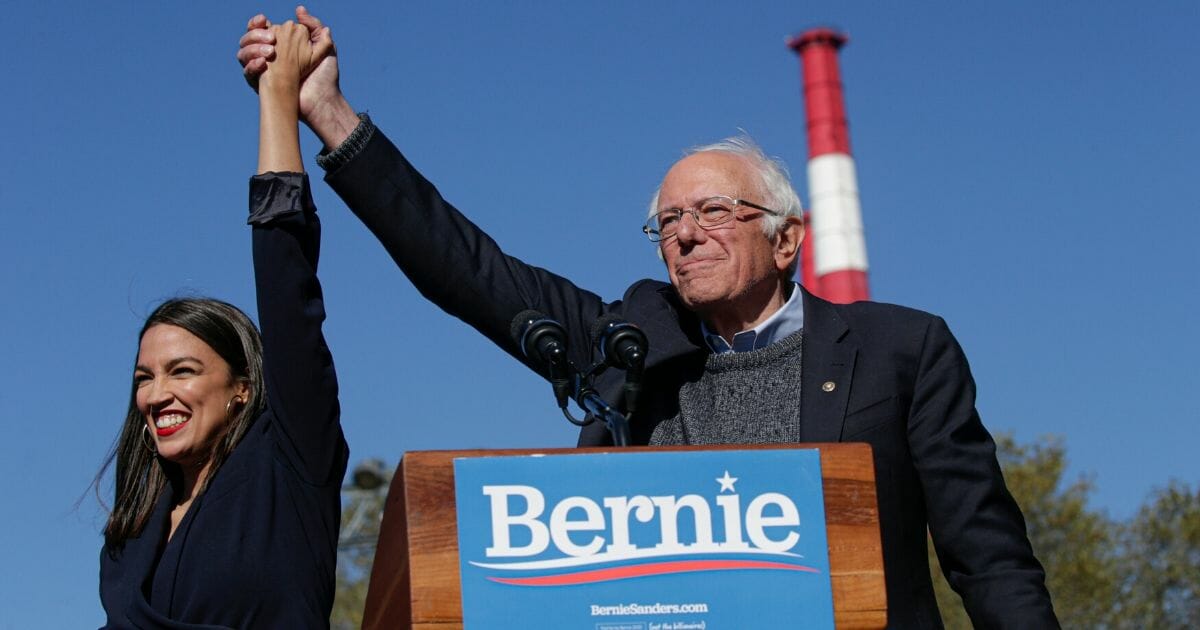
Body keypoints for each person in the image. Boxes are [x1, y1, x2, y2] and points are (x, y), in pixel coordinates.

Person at [238, 10, 1059, 628]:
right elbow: (466, 267)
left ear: (787, 240)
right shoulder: (627, 350)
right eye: (666, 223)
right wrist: (328, 113)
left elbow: (988, 558)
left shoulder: (901, 351)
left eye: (711, 211)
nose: (685, 235)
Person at [98, 21, 348, 628]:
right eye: (145, 377)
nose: (157, 394)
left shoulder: (286, 466)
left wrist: (278, 101)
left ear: (242, 387)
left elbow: (287, 282)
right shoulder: (131, 532)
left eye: (182, 370)